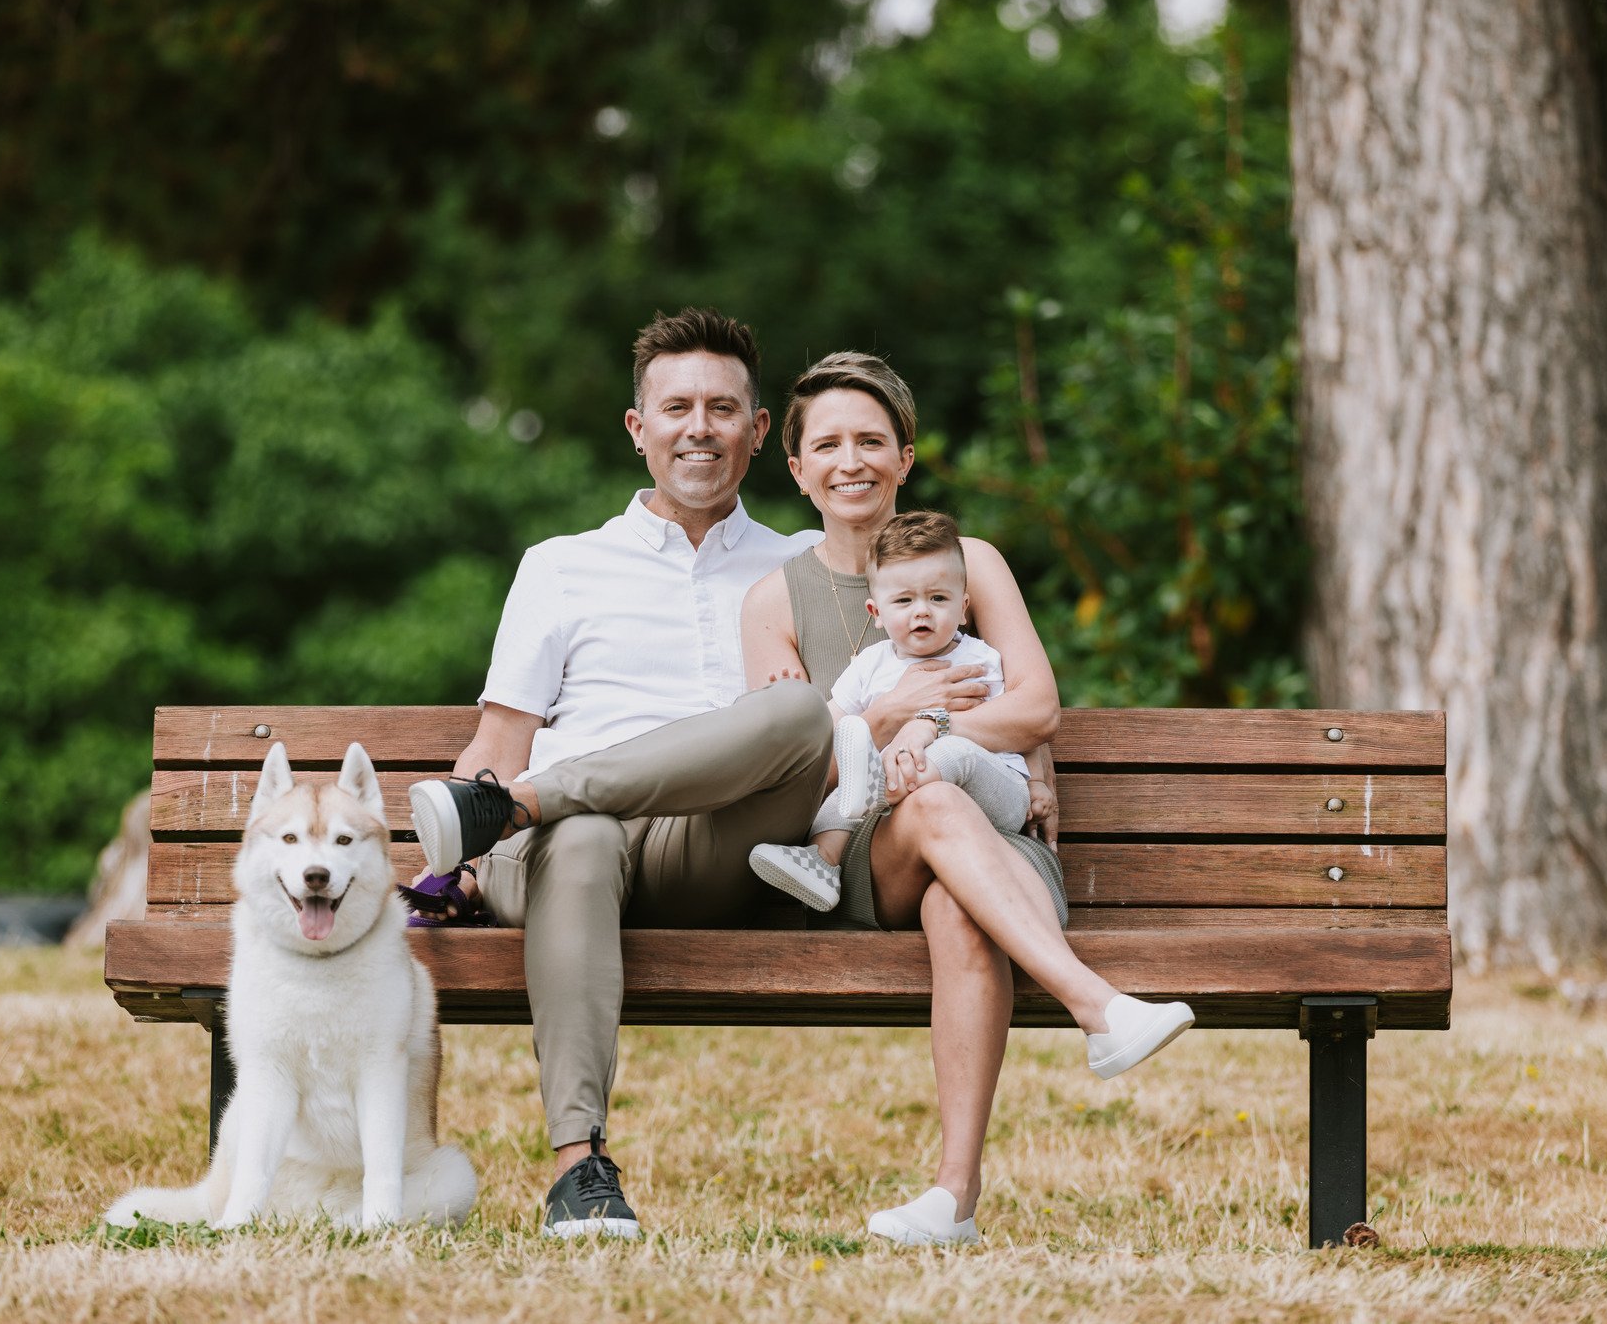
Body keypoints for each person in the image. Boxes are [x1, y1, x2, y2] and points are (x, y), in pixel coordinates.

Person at [739, 351, 1193, 1247]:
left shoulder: (970, 559)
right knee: (934, 819)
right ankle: (1097, 1007)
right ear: (795, 469)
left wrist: (937, 730)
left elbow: (1037, 704)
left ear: (904, 455)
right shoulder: (770, 602)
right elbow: (788, 770)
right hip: (869, 855)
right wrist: (885, 717)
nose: (850, 460)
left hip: (998, 838)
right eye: (825, 444)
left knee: (958, 900)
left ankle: (952, 1199)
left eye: (871, 439)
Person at [402, 308, 832, 1240]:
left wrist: (1027, 749)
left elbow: (933, 660)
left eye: (723, 409)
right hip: (563, 854)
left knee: (800, 713)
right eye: (675, 407)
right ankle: (579, 1170)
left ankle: (518, 810)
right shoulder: (561, 567)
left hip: (717, 850)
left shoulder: (805, 563)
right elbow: (499, 737)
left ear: (759, 433)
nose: (699, 428)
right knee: (586, 832)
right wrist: (453, 863)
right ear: (637, 428)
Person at [749, 509, 1036, 913]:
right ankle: (821, 861)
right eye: (904, 600)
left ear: (964, 607)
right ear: (876, 613)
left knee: (949, 753)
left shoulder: (980, 659)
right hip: (903, 817)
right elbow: (828, 732)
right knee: (853, 778)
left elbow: (1022, 727)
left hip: (991, 794)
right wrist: (789, 706)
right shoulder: (870, 665)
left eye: (938, 598)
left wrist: (1038, 782)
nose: (922, 611)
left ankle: (879, 785)